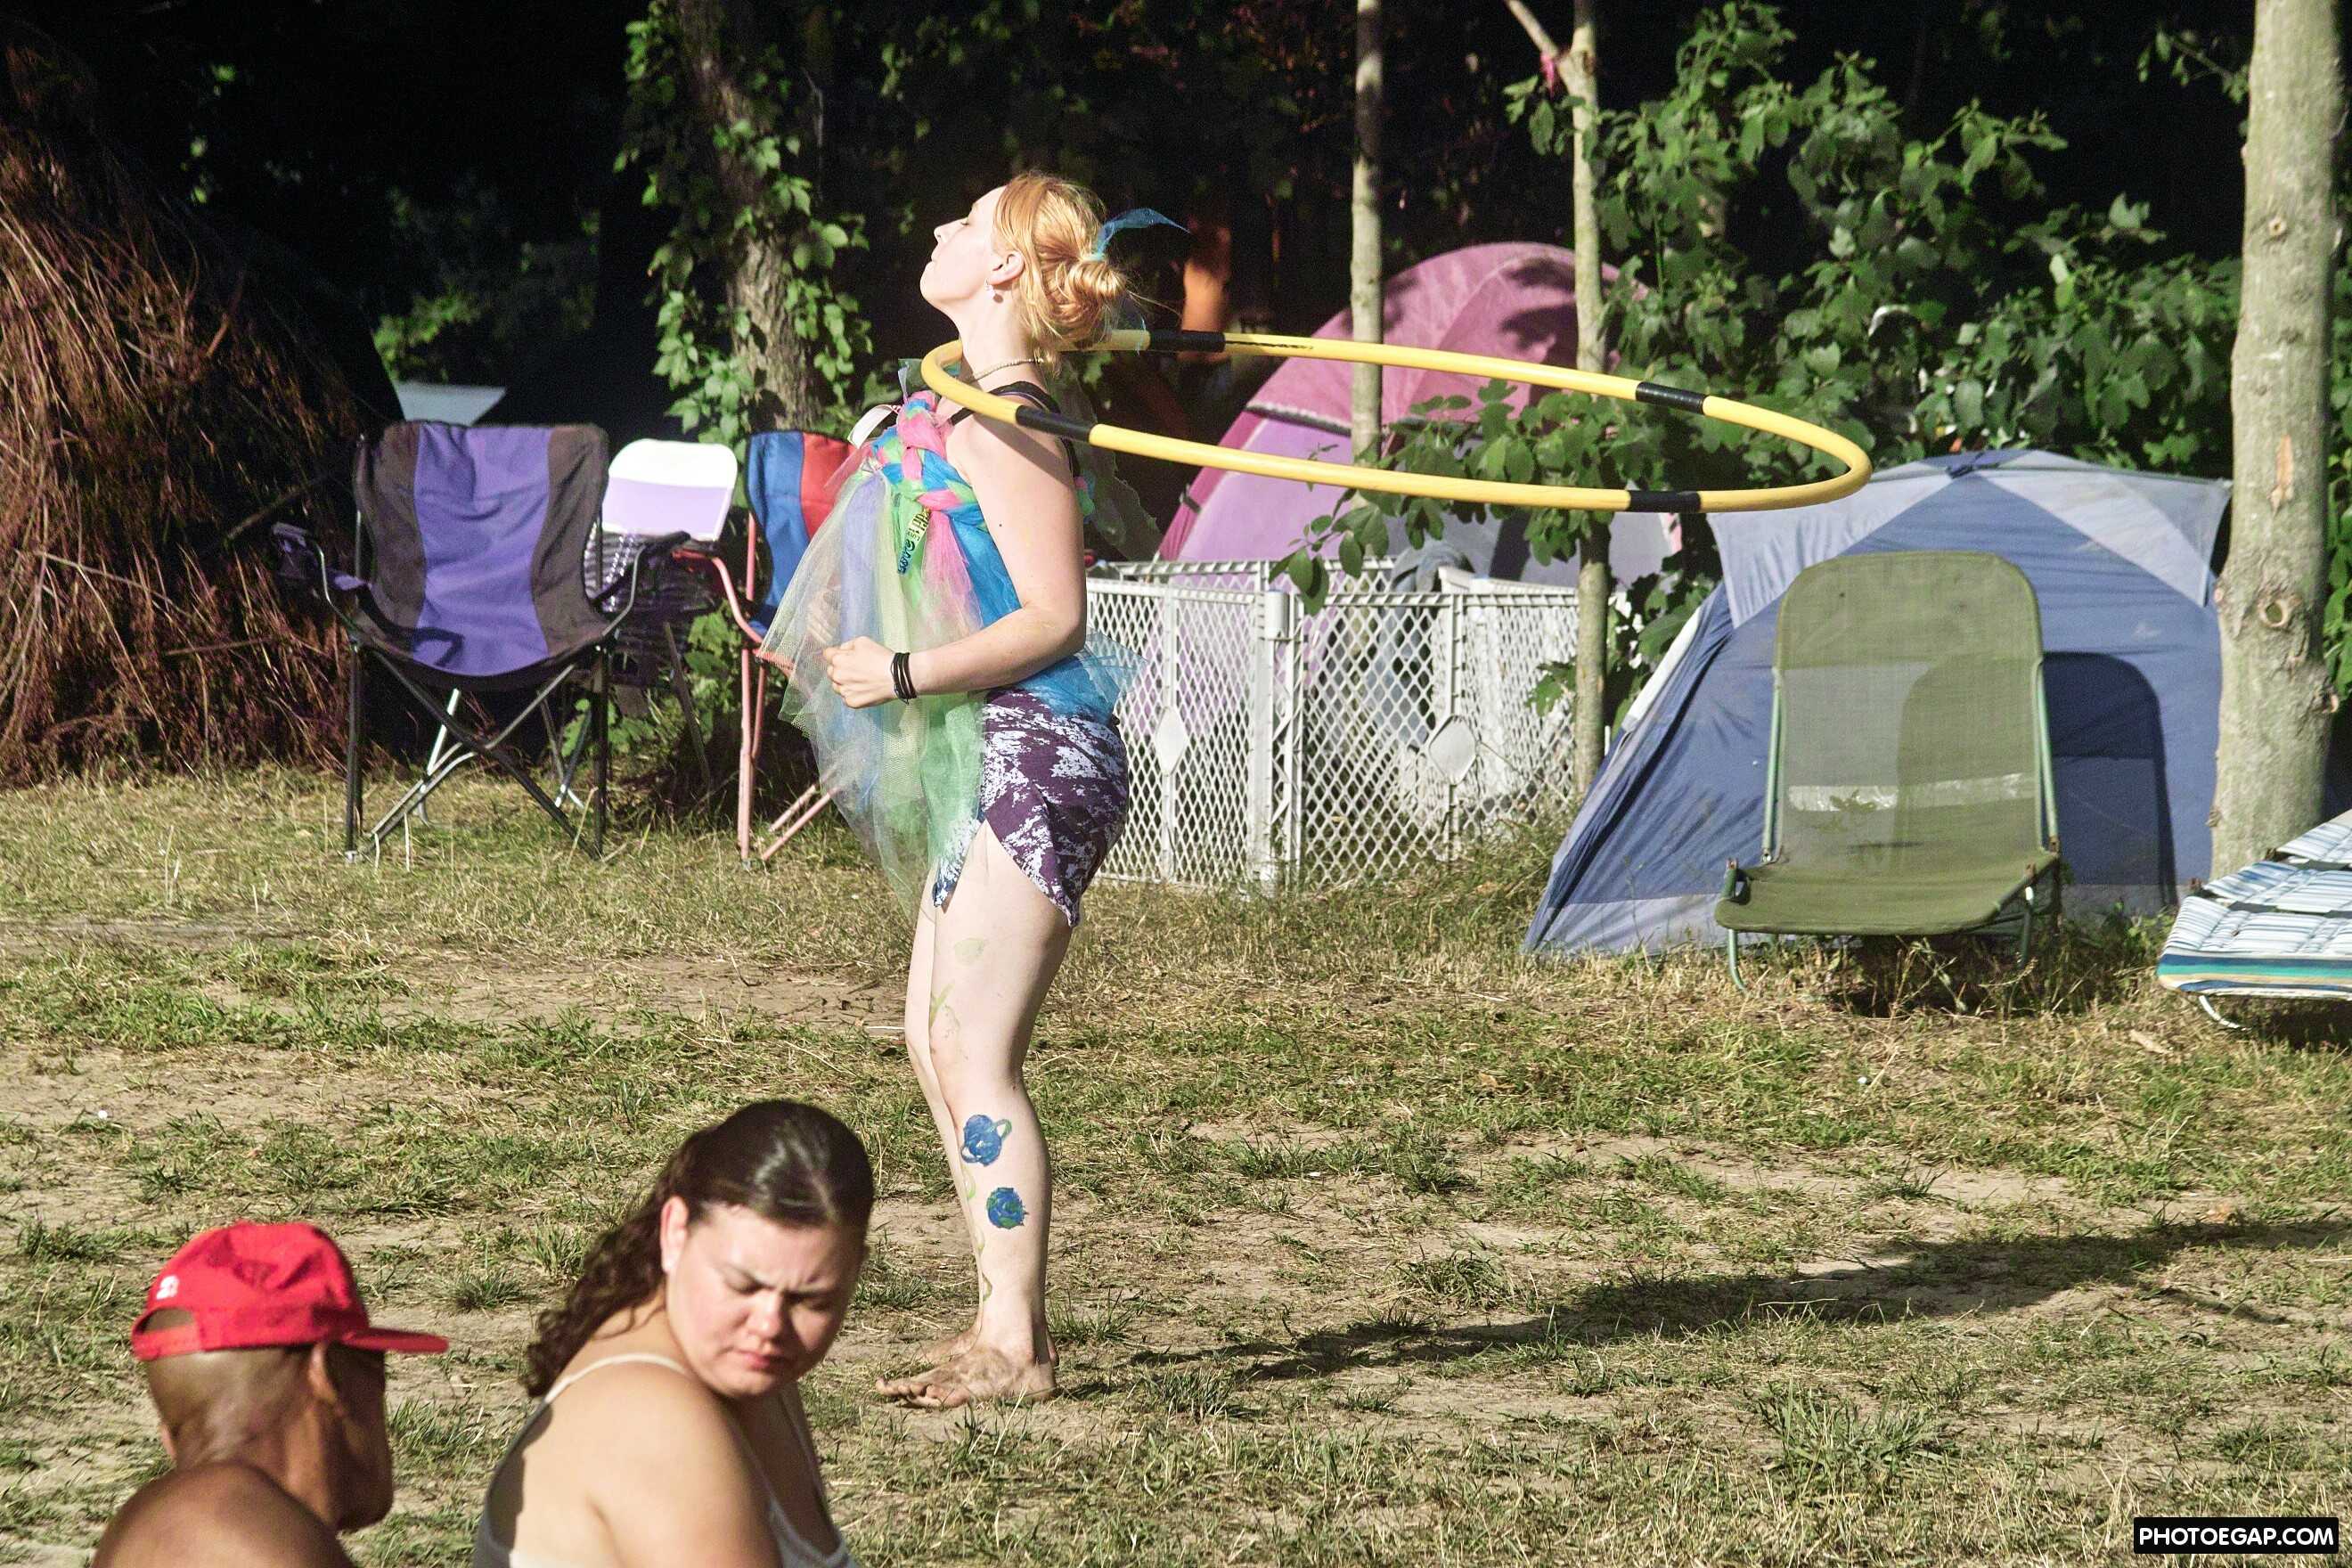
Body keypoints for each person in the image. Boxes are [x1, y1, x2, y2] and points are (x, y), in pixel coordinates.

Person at [762, 173, 1167, 1408]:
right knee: (932, 1039)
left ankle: (1017, 1345)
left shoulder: (1011, 420)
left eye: (965, 221)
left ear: (1001, 270)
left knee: (972, 1047)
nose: (936, 228)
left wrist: (902, 671)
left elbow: (1054, 616)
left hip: (1037, 752)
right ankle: (998, 1321)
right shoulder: (968, 406)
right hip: (990, 745)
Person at [472, 1099, 872, 1568]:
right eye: (742, 1285)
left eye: (812, 1300)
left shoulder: (747, 1366)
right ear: (675, 1233)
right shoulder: (653, 1422)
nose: (769, 1325)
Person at [93, 1221, 449, 1568]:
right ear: (329, 1375)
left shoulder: (144, 1532)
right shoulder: (245, 1539)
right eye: (373, 1368)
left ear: (170, 1439)